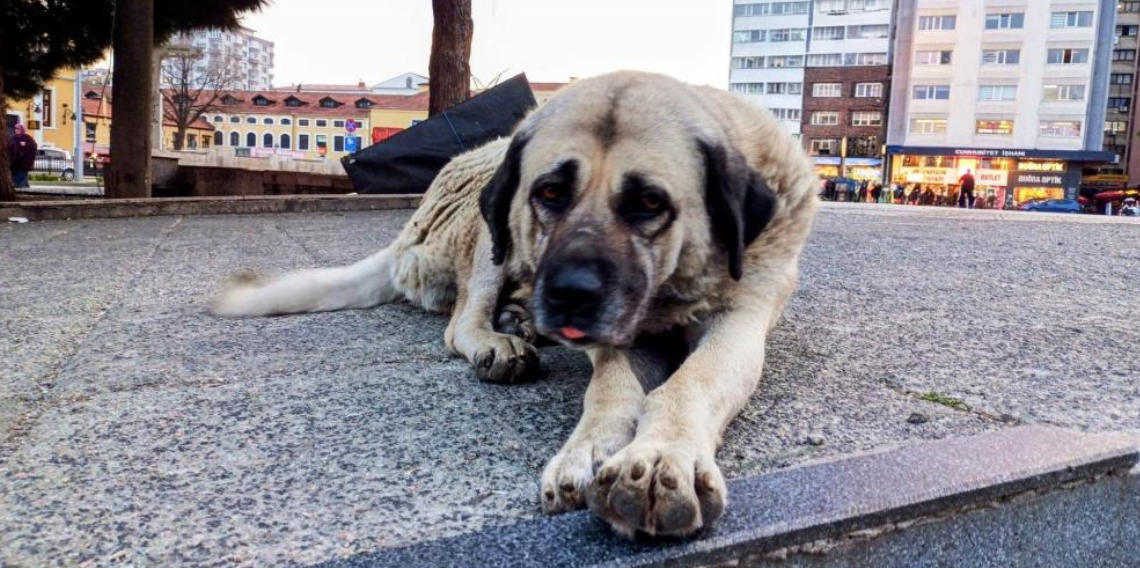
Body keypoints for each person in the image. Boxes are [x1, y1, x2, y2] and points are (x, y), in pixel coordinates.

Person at [8, 123, 37, 189]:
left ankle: (21, 188)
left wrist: (26, 145)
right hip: (14, 162)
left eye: (18, 129)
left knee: (19, 177)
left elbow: (34, 146)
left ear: (22, 129)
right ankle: (26, 188)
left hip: (24, 162)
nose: (16, 130)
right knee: (21, 177)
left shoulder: (27, 137)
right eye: (15, 129)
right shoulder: (13, 138)